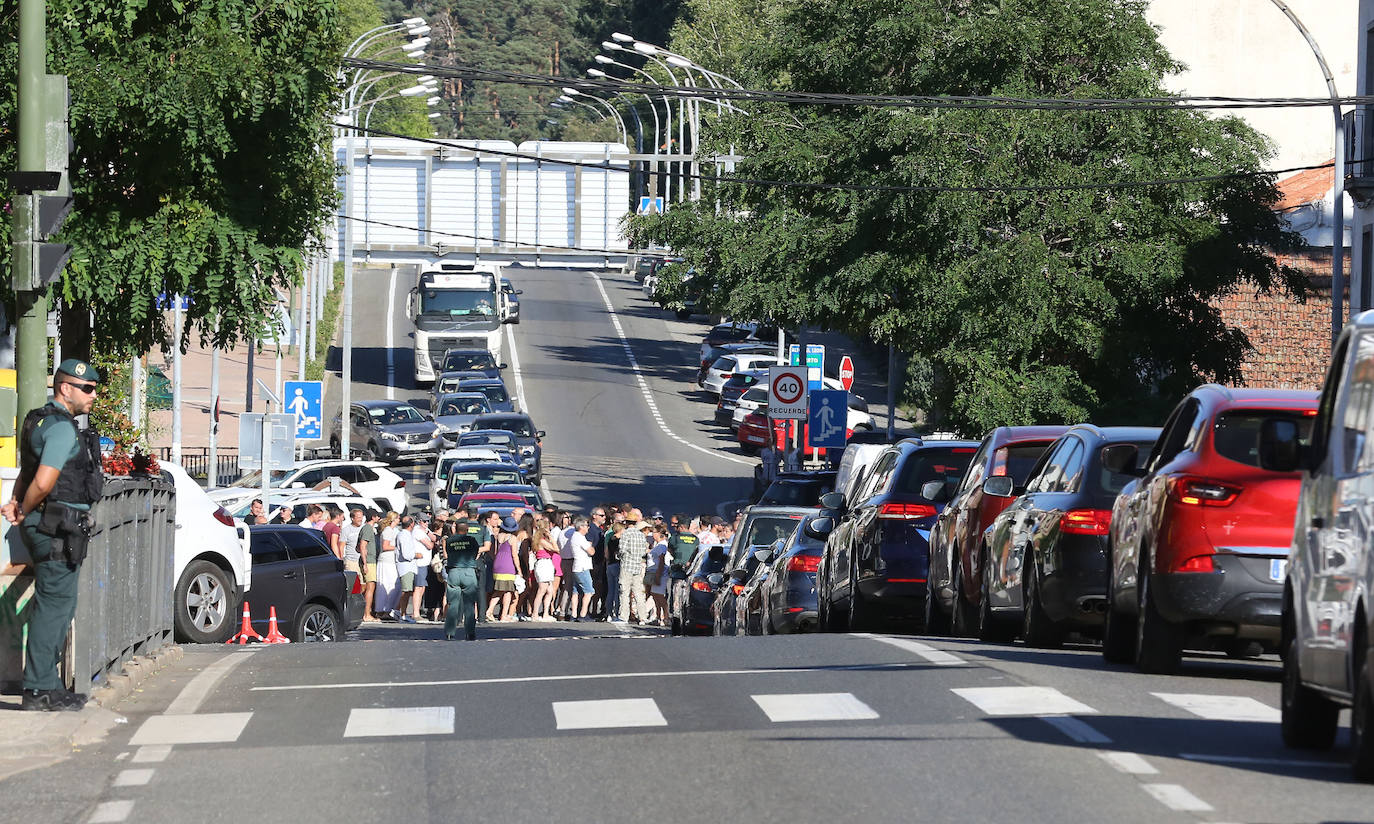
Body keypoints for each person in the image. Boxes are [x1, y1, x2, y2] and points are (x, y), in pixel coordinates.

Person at [3, 359, 103, 712]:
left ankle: (47, 685)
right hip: (57, 525)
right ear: (65, 388)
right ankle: (39, 688)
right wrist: (26, 508)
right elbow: (43, 481)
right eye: (87, 389)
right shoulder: (61, 428)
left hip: (48, 524)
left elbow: (28, 470)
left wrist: (17, 503)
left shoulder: (38, 420)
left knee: (56, 603)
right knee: (55, 605)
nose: (93, 395)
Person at [442, 519, 485, 640]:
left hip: (454, 571)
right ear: (467, 530)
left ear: (456, 529)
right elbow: (475, 553)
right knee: (469, 604)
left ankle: (450, 631)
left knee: (453, 603)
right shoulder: (472, 540)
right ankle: (470, 632)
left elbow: (448, 553)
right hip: (468, 571)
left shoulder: (449, 541)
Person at [488, 516, 523, 621]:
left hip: (497, 564)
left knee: (499, 590)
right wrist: (519, 569)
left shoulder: (497, 536)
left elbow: (492, 551)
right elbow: (514, 555)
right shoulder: (512, 538)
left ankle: (492, 611)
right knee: (508, 591)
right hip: (508, 565)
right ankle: (501, 614)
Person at [617, 519, 650, 624]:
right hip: (637, 565)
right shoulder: (640, 535)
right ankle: (642, 617)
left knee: (624, 592)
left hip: (627, 565)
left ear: (626, 523)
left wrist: (621, 556)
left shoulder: (626, 534)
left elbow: (621, 549)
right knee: (638, 592)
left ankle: (624, 616)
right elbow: (644, 550)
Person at [566, 515, 596, 622]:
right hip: (583, 567)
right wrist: (591, 546)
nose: (588, 528)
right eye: (587, 526)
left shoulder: (574, 536)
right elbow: (591, 551)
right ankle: (583, 614)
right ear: (581, 527)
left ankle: (573, 614)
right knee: (589, 591)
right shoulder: (580, 537)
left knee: (576, 591)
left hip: (576, 567)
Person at [531, 516, 559, 621]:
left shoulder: (540, 540)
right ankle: (535, 614)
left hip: (547, 563)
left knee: (550, 590)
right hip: (543, 564)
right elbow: (556, 549)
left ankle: (546, 613)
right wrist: (551, 538)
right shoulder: (541, 541)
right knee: (542, 589)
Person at [409, 514, 434, 623]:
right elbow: (430, 545)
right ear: (419, 521)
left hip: (425, 563)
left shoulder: (425, 530)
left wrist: (428, 532)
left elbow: (434, 538)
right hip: (419, 563)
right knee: (418, 588)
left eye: (428, 521)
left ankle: (417, 611)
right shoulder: (417, 531)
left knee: (422, 587)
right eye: (424, 521)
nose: (427, 523)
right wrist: (430, 537)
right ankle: (415, 613)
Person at [375, 512, 401, 620]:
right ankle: (381, 610)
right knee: (385, 584)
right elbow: (385, 546)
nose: (399, 520)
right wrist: (398, 547)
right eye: (398, 518)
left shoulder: (395, 530)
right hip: (386, 561)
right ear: (394, 519)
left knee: (394, 585)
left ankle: (389, 609)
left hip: (392, 560)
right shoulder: (387, 531)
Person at [393, 514, 418, 623]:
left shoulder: (405, 534)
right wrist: (416, 555)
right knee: (406, 591)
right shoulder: (404, 535)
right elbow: (407, 554)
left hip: (409, 567)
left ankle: (401, 613)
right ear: (411, 524)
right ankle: (402, 615)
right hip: (406, 567)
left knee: (408, 591)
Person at [646, 525, 671, 626]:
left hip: (660, 573)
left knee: (660, 596)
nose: (652, 534)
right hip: (653, 571)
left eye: (654, 532)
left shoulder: (662, 545)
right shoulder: (658, 545)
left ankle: (666, 617)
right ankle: (657, 616)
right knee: (655, 595)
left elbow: (661, 561)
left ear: (659, 534)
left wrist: (658, 575)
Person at [358, 510, 380, 621]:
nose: (379, 518)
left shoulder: (369, 529)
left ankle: (367, 613)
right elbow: (362, 545)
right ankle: (366, 614)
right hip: (369, 561)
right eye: (378, 516)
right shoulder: (367, 528)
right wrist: (365, 563)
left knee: (369, 588)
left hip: (370, 560)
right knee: (370, 588)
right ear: (373, 517)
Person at [340, 507, 365, 575]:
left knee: (364, 584)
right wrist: (341, 560)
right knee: (354, 584)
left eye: (361, 517)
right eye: (358, 517)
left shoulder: (364, 528)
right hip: (351, 561)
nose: (361, 519)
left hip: (363, 561)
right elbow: (342, 546)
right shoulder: (346, 530)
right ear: (352, 518)